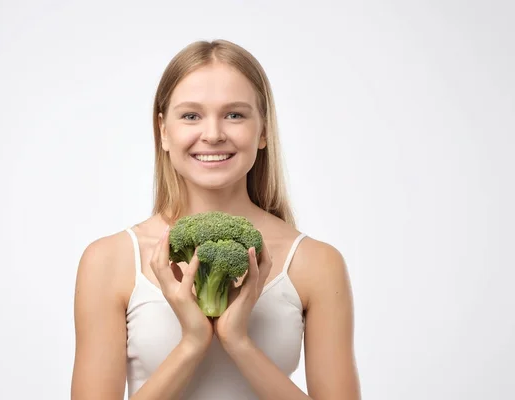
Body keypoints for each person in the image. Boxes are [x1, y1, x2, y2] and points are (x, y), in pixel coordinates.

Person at [70, 39, 361, 400]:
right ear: (163, 130)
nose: (212, 134)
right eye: (191, 115)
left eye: (234, 114)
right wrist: (192, 343)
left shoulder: (316, 263)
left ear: (264, 130)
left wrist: (239, 342)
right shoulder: (109, 261)